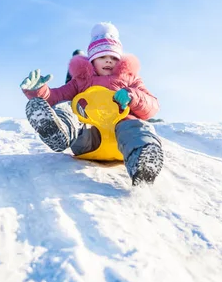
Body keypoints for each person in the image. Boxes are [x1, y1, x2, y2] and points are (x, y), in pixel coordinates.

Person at [20, 22, 163, 186]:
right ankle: (59, 132)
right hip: (89, 139)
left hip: (121, 141)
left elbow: (152, 106)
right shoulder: (81, 81)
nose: (108, 61)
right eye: (102, 57)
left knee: (135, 126)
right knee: (68, 109)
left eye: (114, 58)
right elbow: (55, 97)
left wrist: (133, 96)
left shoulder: (130, 79)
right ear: (92, 60)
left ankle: (142, 162)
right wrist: (38, 91)